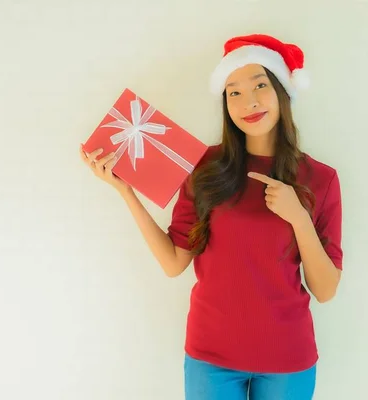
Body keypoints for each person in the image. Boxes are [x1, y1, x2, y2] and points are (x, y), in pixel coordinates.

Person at [80, 33, 343, 400]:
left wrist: (299, 217)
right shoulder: (203, 167)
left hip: (288, 356)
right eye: (233, 91)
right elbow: (174, 263)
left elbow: (326, 289)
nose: (247, 101)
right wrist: (127, 192)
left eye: (259, 85)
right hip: (211, 354)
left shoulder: (322, 179)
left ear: (282, 90)